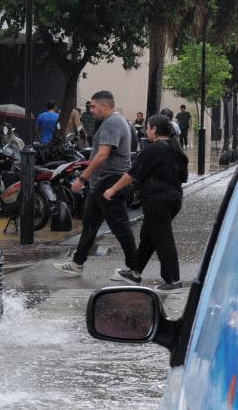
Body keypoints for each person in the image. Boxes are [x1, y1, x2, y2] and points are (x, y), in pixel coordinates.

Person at [54, 91, 137, 277]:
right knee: (90, 225)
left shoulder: (112, 123)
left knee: (120, 227)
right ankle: (77, 263)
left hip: (110, 181)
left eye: (93, 106)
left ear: (104, 106)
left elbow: (102, 155)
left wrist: (82, 178)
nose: (90, 110)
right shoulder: (116, 121)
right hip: (103, 183)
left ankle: (134, 269)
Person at [104, 114, 187, 293]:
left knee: (163, 239)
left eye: (148, 128)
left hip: (158, 201)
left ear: (154, 129)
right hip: (173, 199)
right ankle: (135, 272)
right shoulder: (174, 148)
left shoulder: (155, 148)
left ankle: (173, 281)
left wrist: (112, 189)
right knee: (148, 235)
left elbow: (133, 173)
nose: (146, 131)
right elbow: (183, 176)